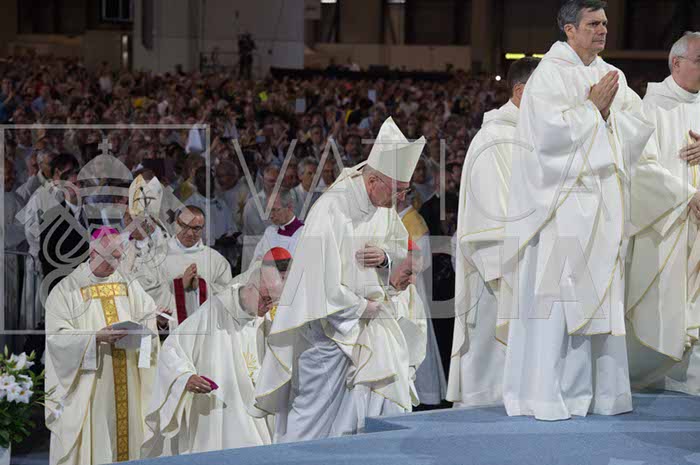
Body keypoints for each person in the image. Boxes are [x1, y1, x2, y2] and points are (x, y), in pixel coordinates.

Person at [501, 0, 691, 421]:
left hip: (603, 205)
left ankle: (602, 394)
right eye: (592, 23)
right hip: (561, 208)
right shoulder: (548, 75)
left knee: (603, 297)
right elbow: (546, 140)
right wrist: (592, 111)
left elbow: (637, 128)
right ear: (569, 29)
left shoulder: (612, 74)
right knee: (560, 300)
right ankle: (550, 395)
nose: (602, 30)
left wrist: (603, 116)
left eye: (604, 23)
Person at [254, 116, 425, 442]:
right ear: (372, 181)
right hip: (326, 333)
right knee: (312, 416)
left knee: (363, 411)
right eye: (397, 191)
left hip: (369, 327)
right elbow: (315, 279)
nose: (401, 200)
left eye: (405, 191)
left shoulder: (384, 206)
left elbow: (398, 251)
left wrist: (386, 259)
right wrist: (360, 307)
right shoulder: (330, 209)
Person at [447, 57, 540, 409]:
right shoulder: (494, 138)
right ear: (521, 92)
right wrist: (514, 275)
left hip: (531, 270)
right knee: (491, 373)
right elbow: (486, 224)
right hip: (499, 276)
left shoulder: (534, 136)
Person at [142, 248, 292, 456]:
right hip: (218, 410)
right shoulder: (215, 310)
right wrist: (185, 377)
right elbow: (173, 347)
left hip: (256, 412)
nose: (268, 307)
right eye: (266, 299)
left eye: (273, 302)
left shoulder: (265, 320)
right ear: (251, 287)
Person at [44, 227, 162, 464]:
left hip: (128, 374)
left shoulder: (128, 284)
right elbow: (56, 337)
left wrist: (155, 320)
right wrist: (94, 338)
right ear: (92, 252)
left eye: (118, 257)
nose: (114, 264)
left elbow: (147, 313)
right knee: (99, 439)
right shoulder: (67, 289)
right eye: (109, 257)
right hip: (93, 382)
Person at [626, 31, 700, 394]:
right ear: (676, 63)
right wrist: (686, 196)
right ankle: (660, 376)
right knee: (667, 301)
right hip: (669, 223)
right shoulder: (649, 107)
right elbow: (640, 166)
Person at [159, 206, 233, 330]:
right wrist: (179, 285)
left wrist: (200, 287)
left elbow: (227, 297)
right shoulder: (158, 257)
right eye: (184, 226)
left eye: (196, 228)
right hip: (171, 331)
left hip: (207, 330)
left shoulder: (216, 260)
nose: (189, 233)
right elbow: (150, 295)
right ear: (176, 224)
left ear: (203, 228)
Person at [248, 191, 304, 268]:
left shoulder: (303, 234)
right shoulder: (269, 232)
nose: (270, 215)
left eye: (274, 210)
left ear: (289, 207)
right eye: (268, 210)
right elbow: (256, 262)